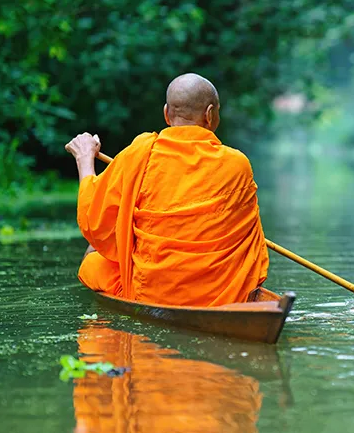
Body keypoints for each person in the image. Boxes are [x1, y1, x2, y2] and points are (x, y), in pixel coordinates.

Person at [66, 73, 269, 307]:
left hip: (151, 292)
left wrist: (84, 160)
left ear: (166, 114)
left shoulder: (142, 152)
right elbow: (249, 238)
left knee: (93, 258)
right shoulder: (238, 164)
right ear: (210, 114)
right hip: (223, 293)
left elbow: (94, 222)